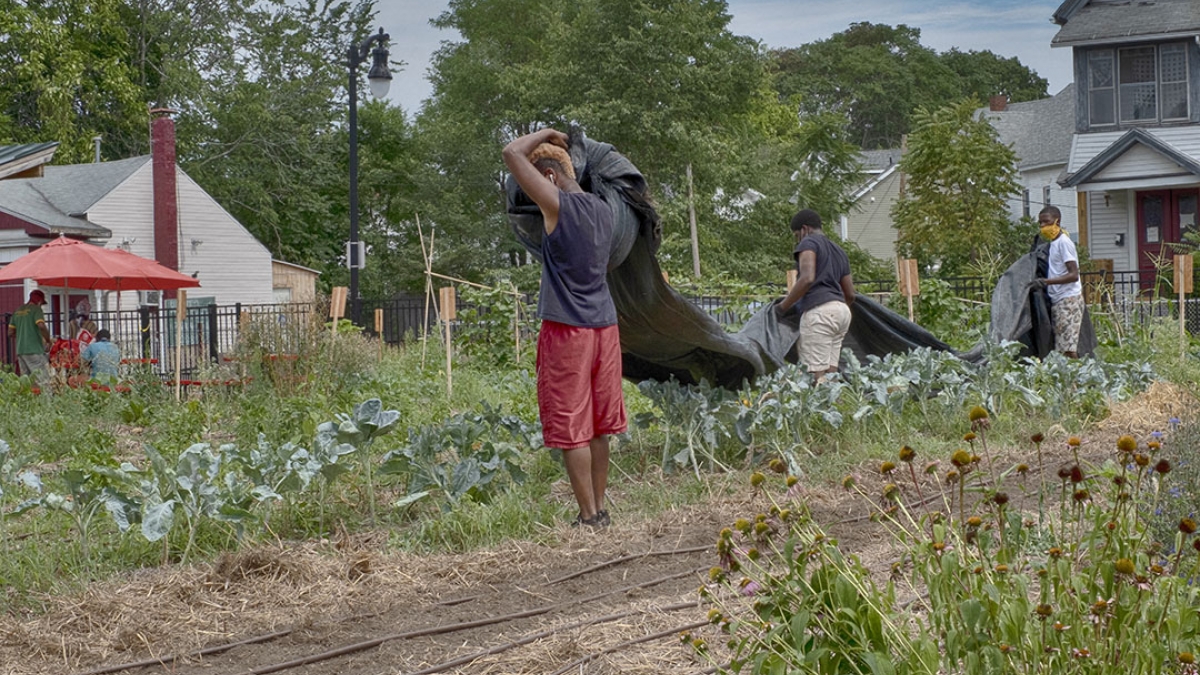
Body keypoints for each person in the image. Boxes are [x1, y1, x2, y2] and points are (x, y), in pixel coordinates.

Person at [502, 128, 626, 529]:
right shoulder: (604, 210)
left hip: (568, 330)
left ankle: (587, 517)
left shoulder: (557, 205)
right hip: (605, 328)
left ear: (550, 177)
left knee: (573, 426)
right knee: (600, 426)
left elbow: (511, 152)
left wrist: (545, 134)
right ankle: (601, 510)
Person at [778, 209, 856, 383]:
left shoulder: (809, 242)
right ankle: (833, 400)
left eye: (797, 235)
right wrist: (835, 309)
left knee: (815, 375)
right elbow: (850, 294)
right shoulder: (839, 251)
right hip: (842, 313)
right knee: (831, 375)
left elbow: (807, 278)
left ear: (804, 229)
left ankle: (817, 400)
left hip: (819, 313)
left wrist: (782, 307)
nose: (798, 240)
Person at [1033, 206, 1083, 358]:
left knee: (1068, 349)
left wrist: (1046, 281)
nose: (1043, 226)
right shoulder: (1053, 244)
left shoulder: (1064, 243)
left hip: (1069, 300)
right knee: (1061, 347)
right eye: (1040, 223)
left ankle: (1078, 372)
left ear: (1057, 221)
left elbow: (1073, 275)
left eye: (1046, 222)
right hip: (1058, 300)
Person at [8, 289, 52, 387]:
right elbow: (41, 326)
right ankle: (47, 398)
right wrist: (48, 340)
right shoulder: (36, 309)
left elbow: (10, 333)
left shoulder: (17, 311)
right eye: (41, 303)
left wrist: (24, 335)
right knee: (44, 381)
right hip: (34, 350)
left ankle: (30, 397)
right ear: (39, 301)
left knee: (27, 383)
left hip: (21, 351)